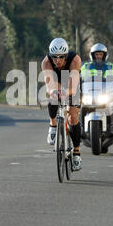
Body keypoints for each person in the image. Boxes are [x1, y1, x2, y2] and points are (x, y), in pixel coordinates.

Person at [42, 38, 83, 171]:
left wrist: (66, 92)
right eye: (55, 57)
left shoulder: (75, 59)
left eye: (61, 57)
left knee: (73, 117)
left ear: (66, 56)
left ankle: (76, 153)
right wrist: (54, 91)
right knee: (53, 96)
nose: (57, 60)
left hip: (72, 82)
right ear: (51, 56)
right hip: (56, 81)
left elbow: (73, 85)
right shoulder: (46, 62)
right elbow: (49, 85)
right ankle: (53, 125)